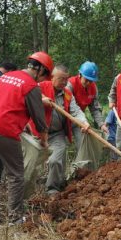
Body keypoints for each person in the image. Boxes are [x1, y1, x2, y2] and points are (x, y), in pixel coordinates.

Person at [0, 51, 50, 225]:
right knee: (16, 175)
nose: (42, 80)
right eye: (44, 75)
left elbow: (6, 104)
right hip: (3, 128)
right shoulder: (31, 85)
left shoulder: (5, 77)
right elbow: (39, 119)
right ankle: (15, 218)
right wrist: (44, 140)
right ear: (40, 70)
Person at [30, 64, 89, 195]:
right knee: (30, 163)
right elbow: (26, 95)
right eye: (61, 79)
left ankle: (52, 189)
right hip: (37, 133)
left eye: (66, 79)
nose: (64, 82)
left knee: (55, 160)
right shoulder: (40, 87)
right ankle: (27, 189)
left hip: (57, 134)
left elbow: (76, 110)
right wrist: (41, 99)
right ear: (52, 77)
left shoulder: (68, 94)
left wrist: (84, 122)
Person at [66, 61, 108, 150]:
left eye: (91, 80)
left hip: (79, 121)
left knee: (83, 145)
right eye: (86, 80)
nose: (88, 83)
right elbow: (69, 105)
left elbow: (95, 109)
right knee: (60, 149)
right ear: (80, 74)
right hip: (64, 119)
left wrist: (101, 124)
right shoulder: (70, 84)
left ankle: (81, 163)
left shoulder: (93, 88)